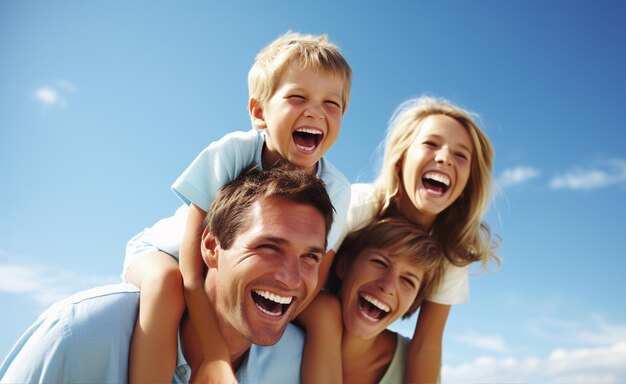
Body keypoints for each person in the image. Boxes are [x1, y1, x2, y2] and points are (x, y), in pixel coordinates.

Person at [123, 32, 352, 383]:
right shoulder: (233, 153)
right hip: (170, 254)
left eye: (331, 104)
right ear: (259, 113)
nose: (315, 111)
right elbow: (192, 263)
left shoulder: (336, 189)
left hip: (240, 273)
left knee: (325, 312)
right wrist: (215, 352)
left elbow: (314, 275)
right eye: (297, 97)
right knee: (165, 286)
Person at [0, 164, 335, 384]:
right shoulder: (80, 334)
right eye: (269, 247)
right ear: (211, 247)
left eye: (309, 257)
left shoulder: (297, 367)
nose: (291, 278)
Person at [300, 95, 501, 383]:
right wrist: (326, 325)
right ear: (402, 157)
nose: (444, 157)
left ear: (468, 182)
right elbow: (307, 289)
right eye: (431, 144)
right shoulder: (356, 204)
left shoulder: (452, 251)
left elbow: (427, 346)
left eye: (461, 155)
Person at [300, 217, 446, 383]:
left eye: (408, 281)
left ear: (413, 302)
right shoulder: (294, 322)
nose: (388, 286)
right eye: (379, 262)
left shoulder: (418, 369)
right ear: (344, 264)